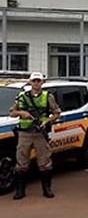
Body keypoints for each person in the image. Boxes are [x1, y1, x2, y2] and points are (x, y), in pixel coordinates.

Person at [9, 72, 61, 200]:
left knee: (45, 162)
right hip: (24, 133)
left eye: (39, 81)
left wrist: (46, 122)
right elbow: (12, 113)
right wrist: (22, 113)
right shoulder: (22, 96)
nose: (36, 83)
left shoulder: (48, 96)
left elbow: (57, 113)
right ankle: (20, 191)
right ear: (30, 82)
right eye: (34, 81)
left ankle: (47, 189)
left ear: (42, 82)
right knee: (21, 161)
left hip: (40, 133)